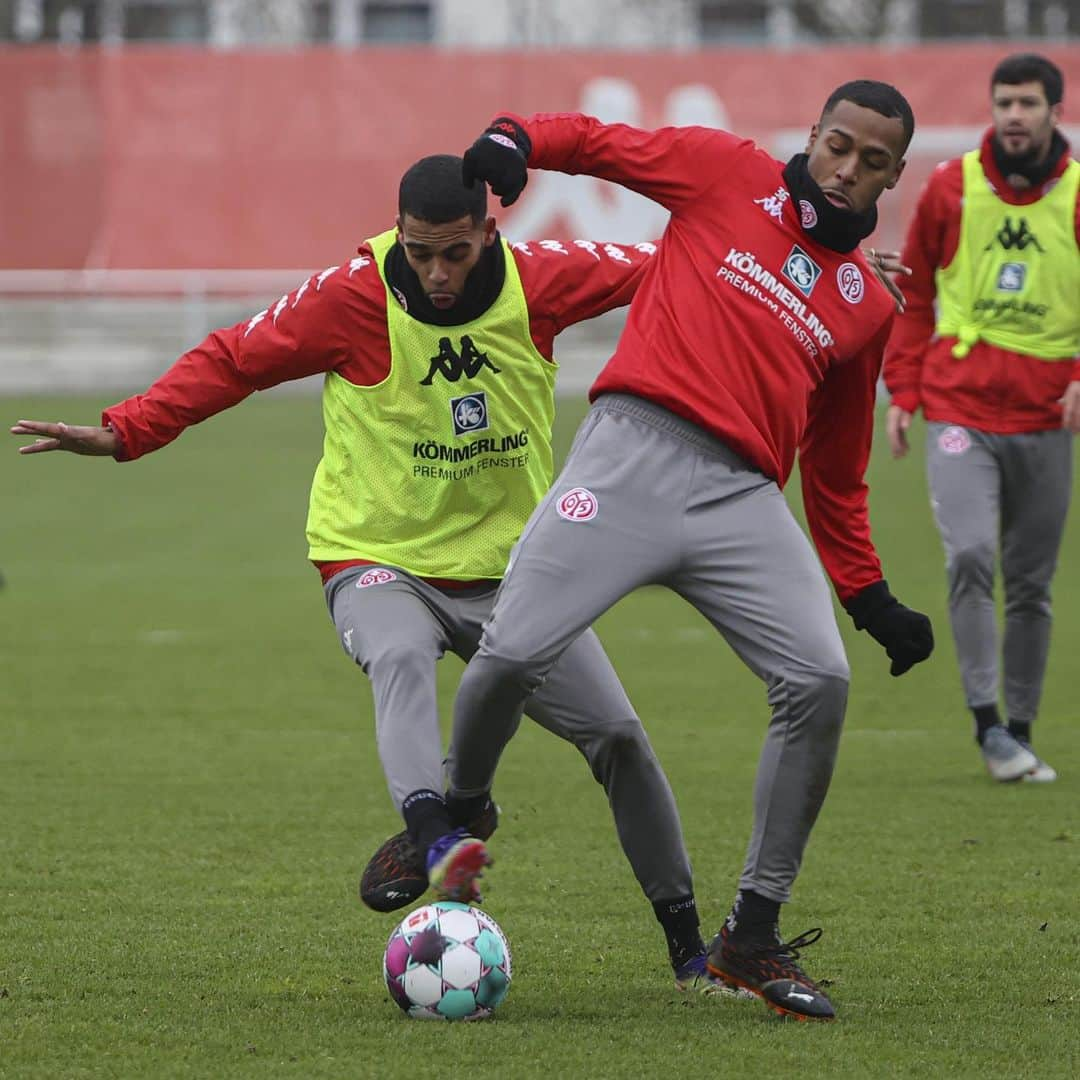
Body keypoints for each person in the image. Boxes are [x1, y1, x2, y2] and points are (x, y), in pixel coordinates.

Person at [11, 155, 742, 995]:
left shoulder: (541, 281)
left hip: (514, 572)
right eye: (419, 251)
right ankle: (435, 835)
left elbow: (685, 267)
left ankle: (692, 953)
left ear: (489, 235)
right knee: (398, 657)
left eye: (454, 254)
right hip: (376, 557)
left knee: (617, 738)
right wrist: (126, 430)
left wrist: (826, 279)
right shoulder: (350, 297)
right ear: (399, 233)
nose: (435, 272)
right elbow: (233, 357)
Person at [433, 82, 936, 1022]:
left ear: (894, 176)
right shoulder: (725, 172)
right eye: (838, 144)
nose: (847, 168)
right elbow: (600, 141)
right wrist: (514, 139)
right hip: (629, 453)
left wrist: (867, 596)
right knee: (506, 656)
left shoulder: (866, 304)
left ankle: (750, 935)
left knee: (820, 679)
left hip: (741, 496)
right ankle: (461, 808)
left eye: (872, 161)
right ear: (815, 134)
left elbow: (834, 467)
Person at [883, 54, 1079, 785]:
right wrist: (904, 391)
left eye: (1028, 103)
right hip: (960, 408)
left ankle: (1020, 730)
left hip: (1046, 418)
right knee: (970, 555)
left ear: (1055, 110)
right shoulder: (950, 188)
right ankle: (987, 723)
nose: (1014, 116)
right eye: (1004, 103)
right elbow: (919, 294)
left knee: (1031, 583)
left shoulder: (1078, 195)